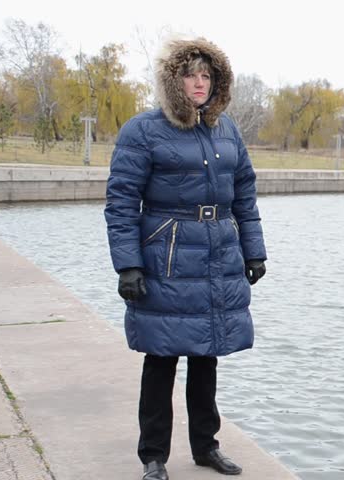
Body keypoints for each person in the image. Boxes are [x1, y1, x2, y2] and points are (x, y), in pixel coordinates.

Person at [104, 37, 267, 480]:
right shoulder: (143, 130)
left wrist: (254, 251)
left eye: (207, 76)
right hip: (167, 258)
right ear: (174, 81)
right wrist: (129, 265)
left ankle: (205, 447)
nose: (199, 83)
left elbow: (245, 196)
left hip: (216, 255)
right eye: (191, 75)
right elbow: (121, 202)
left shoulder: (227, 130)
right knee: (160, 358)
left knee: (206, 356)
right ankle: (153, 457)